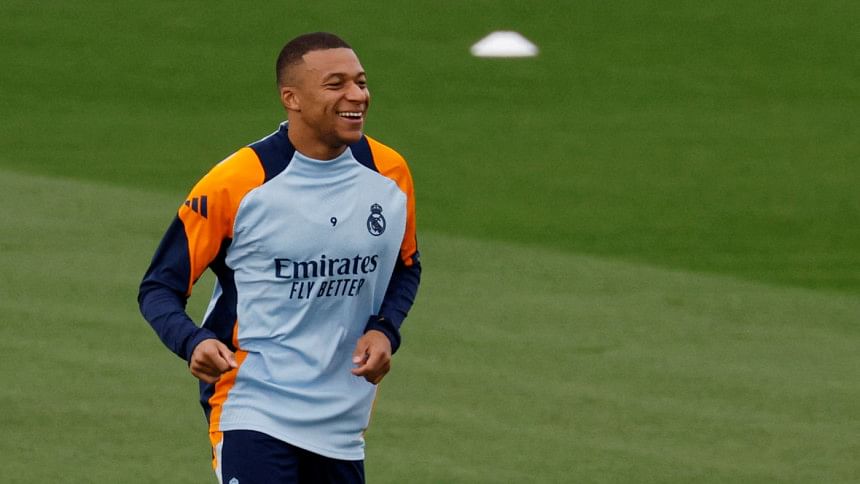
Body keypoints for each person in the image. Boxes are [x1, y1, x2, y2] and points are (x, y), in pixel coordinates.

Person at [138, 32, 421, 483]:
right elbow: (159, 287)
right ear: (292, 98)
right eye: (336, 84)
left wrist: (385, 329)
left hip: (342, 422)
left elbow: (405, 266)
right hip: (252, 405)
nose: (357, 95)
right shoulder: (237, 183)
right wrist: (192, 342)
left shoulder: (389, 174)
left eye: (361, 82)